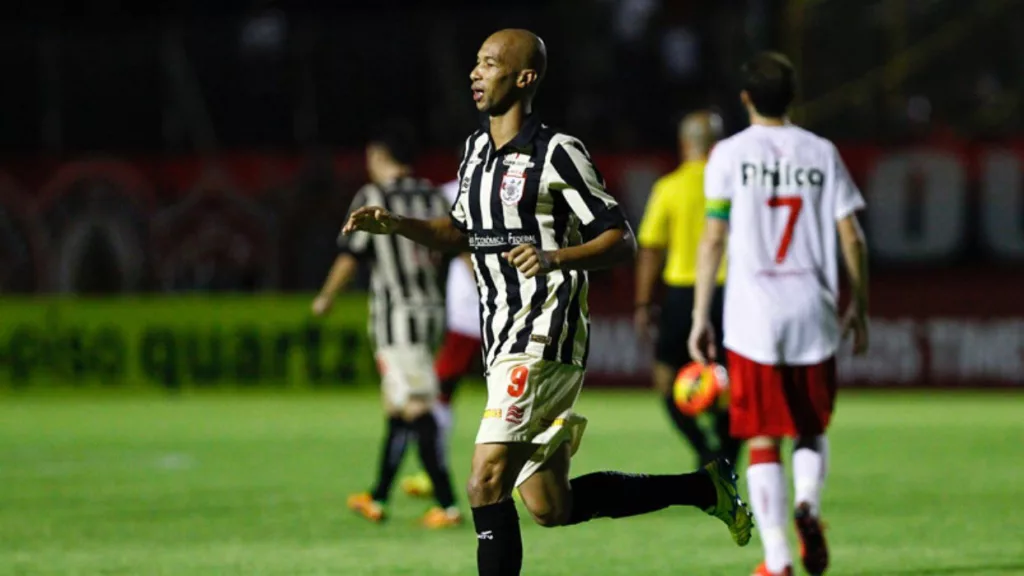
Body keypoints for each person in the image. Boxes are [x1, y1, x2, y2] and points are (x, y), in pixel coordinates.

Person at [341, 28, 752, 576]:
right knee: (548, 506)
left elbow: (620, 239)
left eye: (490, 63)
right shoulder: (474, 152)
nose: (475, 73)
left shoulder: (558, 153)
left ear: (525, 77)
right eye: (477, 63)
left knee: (485, 478)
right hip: (502, 338)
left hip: (544, 333)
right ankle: (704, 487)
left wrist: (556, 257)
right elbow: (459, 232)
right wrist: (399, 225)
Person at [688, 52, 869, 576]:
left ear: (745, 98)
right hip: (813, 310)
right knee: (810, 427)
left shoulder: (728, 154)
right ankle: (807, 504)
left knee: (762, 435)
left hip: (754, 318)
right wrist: (859, 304)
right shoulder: (821, 152)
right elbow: (852, 236)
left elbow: (714, 236)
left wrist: (702, 315)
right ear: (794, 97)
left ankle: (778, 559)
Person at [312, 120, 462, 529]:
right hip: (432, 313)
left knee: (416, 406)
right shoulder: (434, 195)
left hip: (399, 318)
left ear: (378, 156)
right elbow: (457, 246)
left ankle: (447, 505)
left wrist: (326, 296)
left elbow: (351, 253)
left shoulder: (373, 195)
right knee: (397, 406)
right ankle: (377, 496)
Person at [634, 110, 741, 468]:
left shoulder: (669, 187)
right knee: (734, 386)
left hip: (682, 295)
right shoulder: (736, 185)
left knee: (666, 383)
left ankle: (703, 448)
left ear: (684, 144)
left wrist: (643, 303)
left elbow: (650, 249)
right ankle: (726, 457)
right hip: (730, 294)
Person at [400, 174, 483, 499]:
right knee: (443, 387)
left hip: (508, 308)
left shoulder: (517, 183)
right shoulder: (447, 193)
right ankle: (431, 469)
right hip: (466, 309)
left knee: (519, 393)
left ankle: (529, 473)